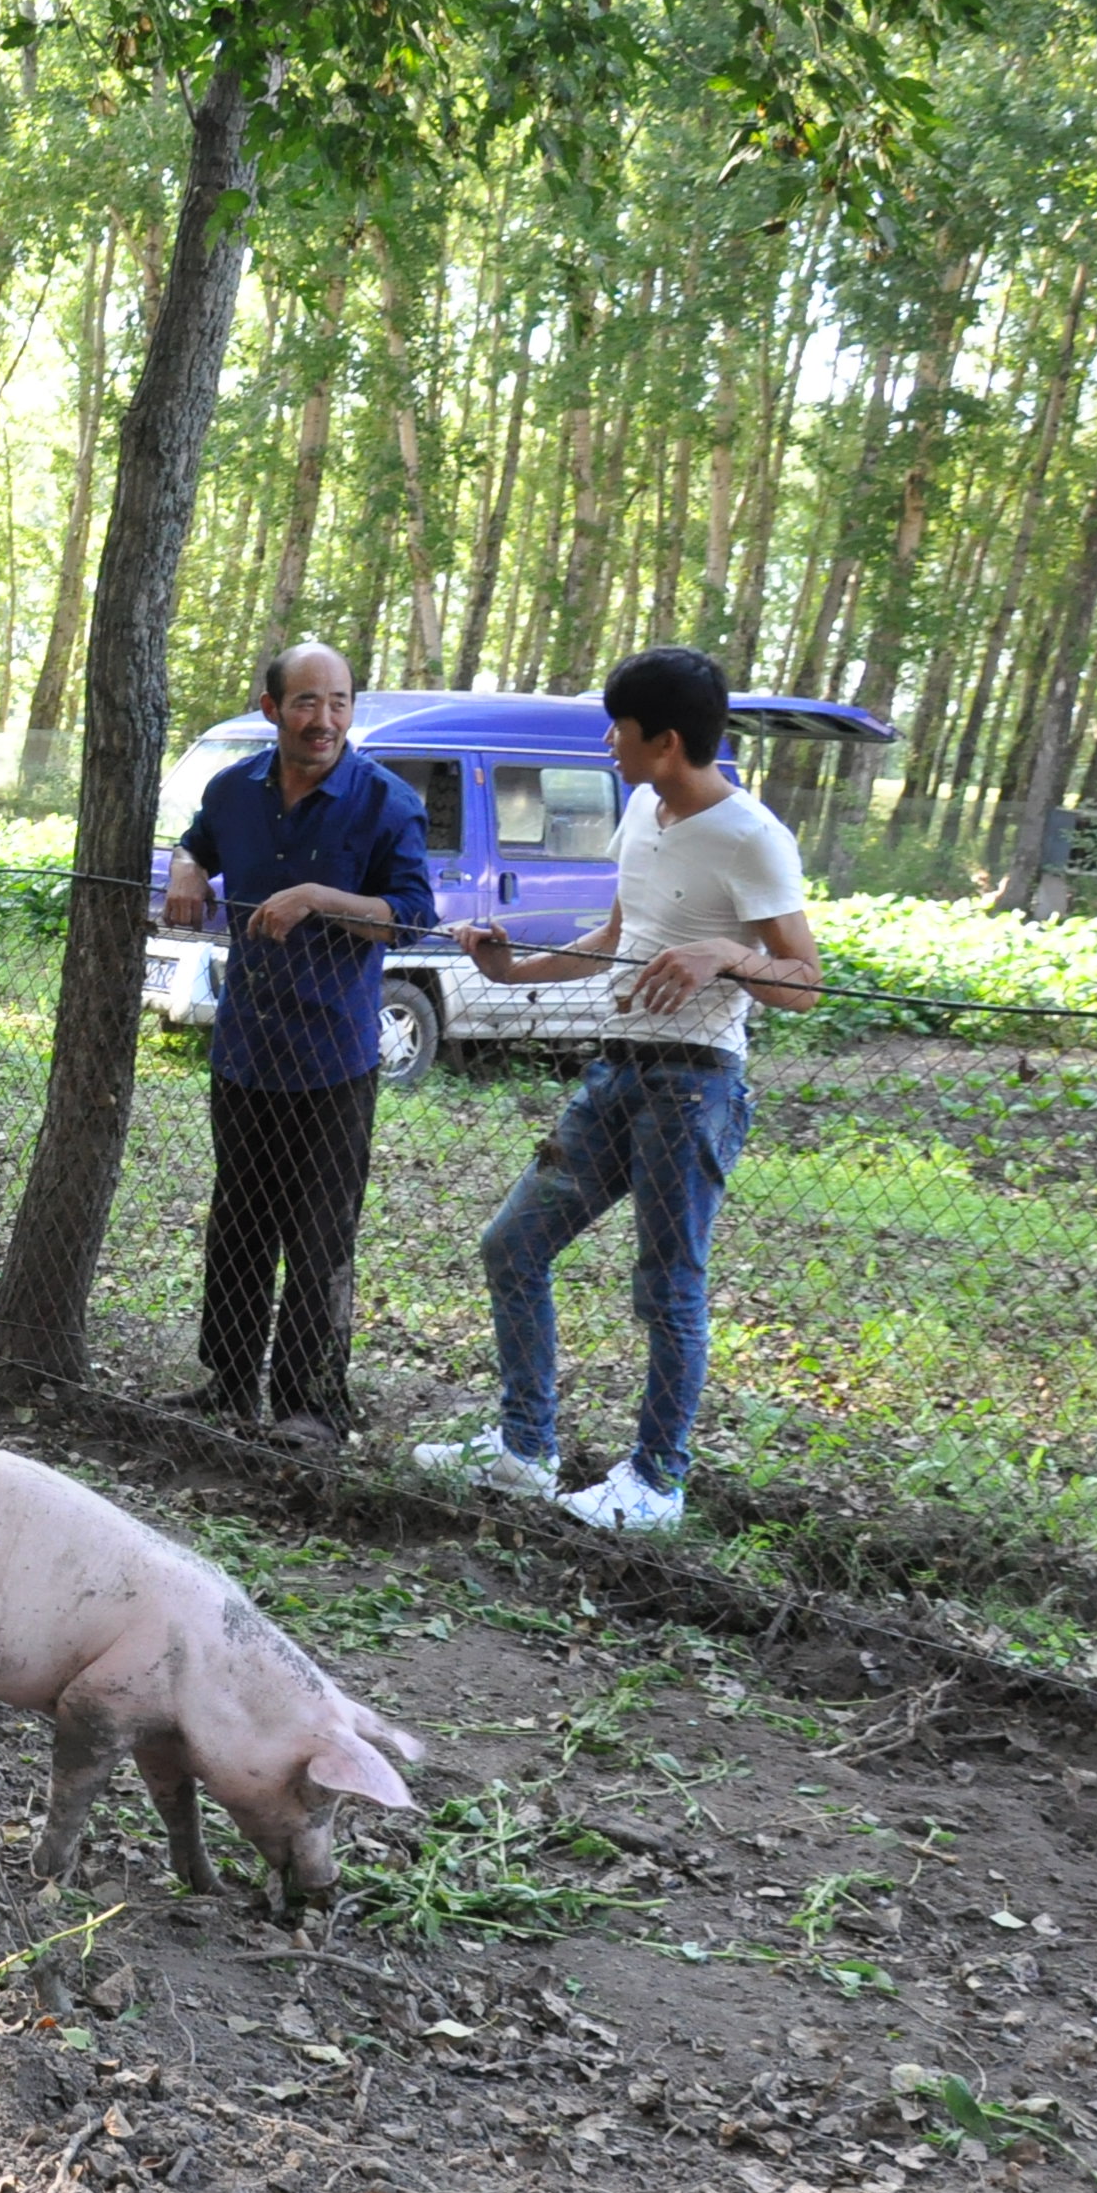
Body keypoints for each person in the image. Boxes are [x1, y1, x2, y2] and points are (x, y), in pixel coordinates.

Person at [414, 645, 824, 1533]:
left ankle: (655, 1485)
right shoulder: (641, 807)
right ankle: (525, 1449)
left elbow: (802, 982)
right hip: (614, 1072)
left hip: (693, 1088)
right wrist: (514, 970)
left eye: (620, 728)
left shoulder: (752, 836)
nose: (608, 741)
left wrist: (727, 955)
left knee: (669, 1287)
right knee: (512, 1246)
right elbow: (618, 934)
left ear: (666, 741)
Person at [161, 639, 435, 1450]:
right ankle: (227, 1383)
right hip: (246, 1048)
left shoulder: (384, 803)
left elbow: (413, 915)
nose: (325, 720)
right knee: (239, 1223)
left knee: (320, 1237)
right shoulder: (233, 791)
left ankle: (311, 1408)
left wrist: (320, 898)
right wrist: (183, 866)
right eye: (308, 702)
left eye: (340, 702)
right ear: (271, 708)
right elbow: (198, 842)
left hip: (333, 1061)